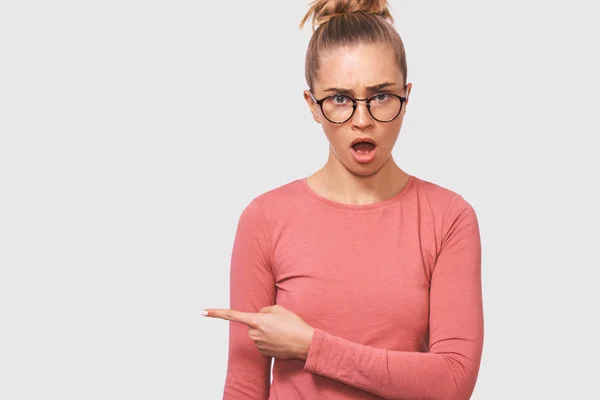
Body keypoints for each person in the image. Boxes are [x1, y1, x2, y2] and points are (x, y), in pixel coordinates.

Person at [202, 0, 484, 399]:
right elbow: (244, 387)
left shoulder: (448, 218)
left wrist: (309, 346)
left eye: (382, 96)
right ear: (312, 105)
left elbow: (452, 382)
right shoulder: (265, 218)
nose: (363, 119)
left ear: (407, 96)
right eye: (339, 99)